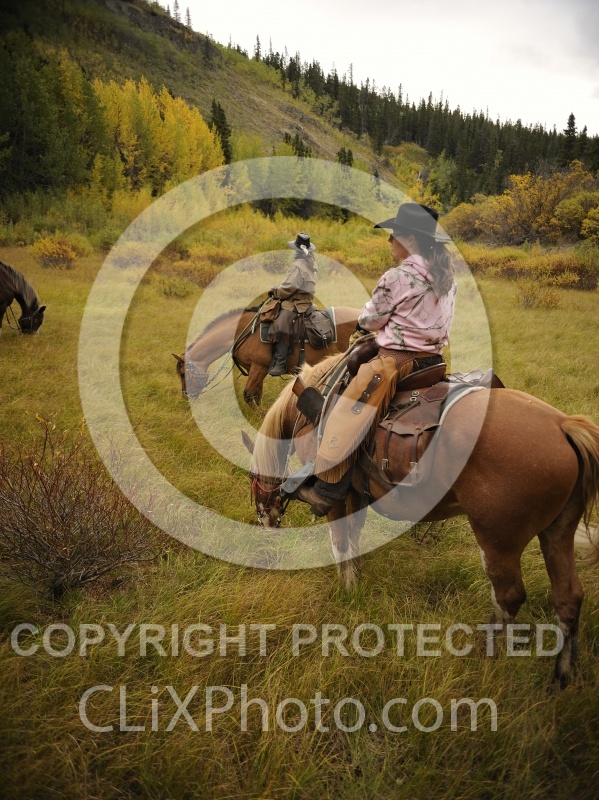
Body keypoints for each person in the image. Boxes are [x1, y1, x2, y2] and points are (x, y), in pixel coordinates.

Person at [296, 202, 457, 515]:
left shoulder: (397, 276)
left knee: (348, 410)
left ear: (410, 239)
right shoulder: (446, 275)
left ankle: (329, 487)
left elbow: (371, 320)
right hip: (433, 362)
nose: (389, 240)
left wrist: (367, 320)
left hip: (396, 361)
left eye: (394, 234)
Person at [266, 233, 318, 377]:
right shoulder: (311, 261)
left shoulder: (298, 266)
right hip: (305, 299)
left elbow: (289, 288)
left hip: (297, 302)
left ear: (297, 250)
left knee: (280, 323)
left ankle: (280, 362)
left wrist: (275, 291)